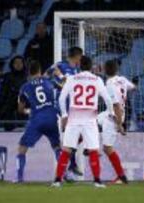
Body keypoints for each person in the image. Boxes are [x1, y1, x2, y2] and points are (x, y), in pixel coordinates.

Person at [51, 56, 114, 188]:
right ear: (91, 66)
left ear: (79, 65)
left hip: (73, 119)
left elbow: (62, 98)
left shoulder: (72, 79)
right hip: (90, 120)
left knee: (66, 150)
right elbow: (108, 99)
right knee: (93, 150)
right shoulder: (97, 80)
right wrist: (111, 113)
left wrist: (64, 115)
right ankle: (97, 181)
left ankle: (57, 180)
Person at [15, 61, 61, 183]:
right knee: (57, 147)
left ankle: (19, 178)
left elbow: (20, 108)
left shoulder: (25, 87)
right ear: (40, 71)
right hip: (52, 117)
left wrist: (27, 111)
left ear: (29, 72)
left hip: (37, 119)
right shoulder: (49, 82)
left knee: (22, 148)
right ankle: (63, 175)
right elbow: (61, 88)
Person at [45, 46, 83, 178]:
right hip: (60, 107)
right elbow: (46, 76)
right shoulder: (60, 65)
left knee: (75, 136)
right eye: (80, 57)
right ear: (78, 56)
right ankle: (68, 168)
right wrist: (57, 82)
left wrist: (62, 78)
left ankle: (71, 165)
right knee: (67, 137)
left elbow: (70, 83)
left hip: (72, 106)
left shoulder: (77, 70)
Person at [97, 60, 136, 184]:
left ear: (104, 70)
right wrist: (123, 92)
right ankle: (88, 147)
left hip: (114, 117)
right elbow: (134, 87)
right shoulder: (122, 79)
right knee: (92, 120)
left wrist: (120, 125)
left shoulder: (109, 84)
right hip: (112, 114)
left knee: (108, 149)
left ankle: (121, 176)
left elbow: (116, 106)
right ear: (117, 70)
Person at [4, 56, 27, 130]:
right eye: (16, 63)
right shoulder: (7, 77)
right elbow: (4, 93)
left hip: (25, 106)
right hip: (9, 107)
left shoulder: (28, 77)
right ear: (12, 64)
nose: (18, 64)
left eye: (20, 62)